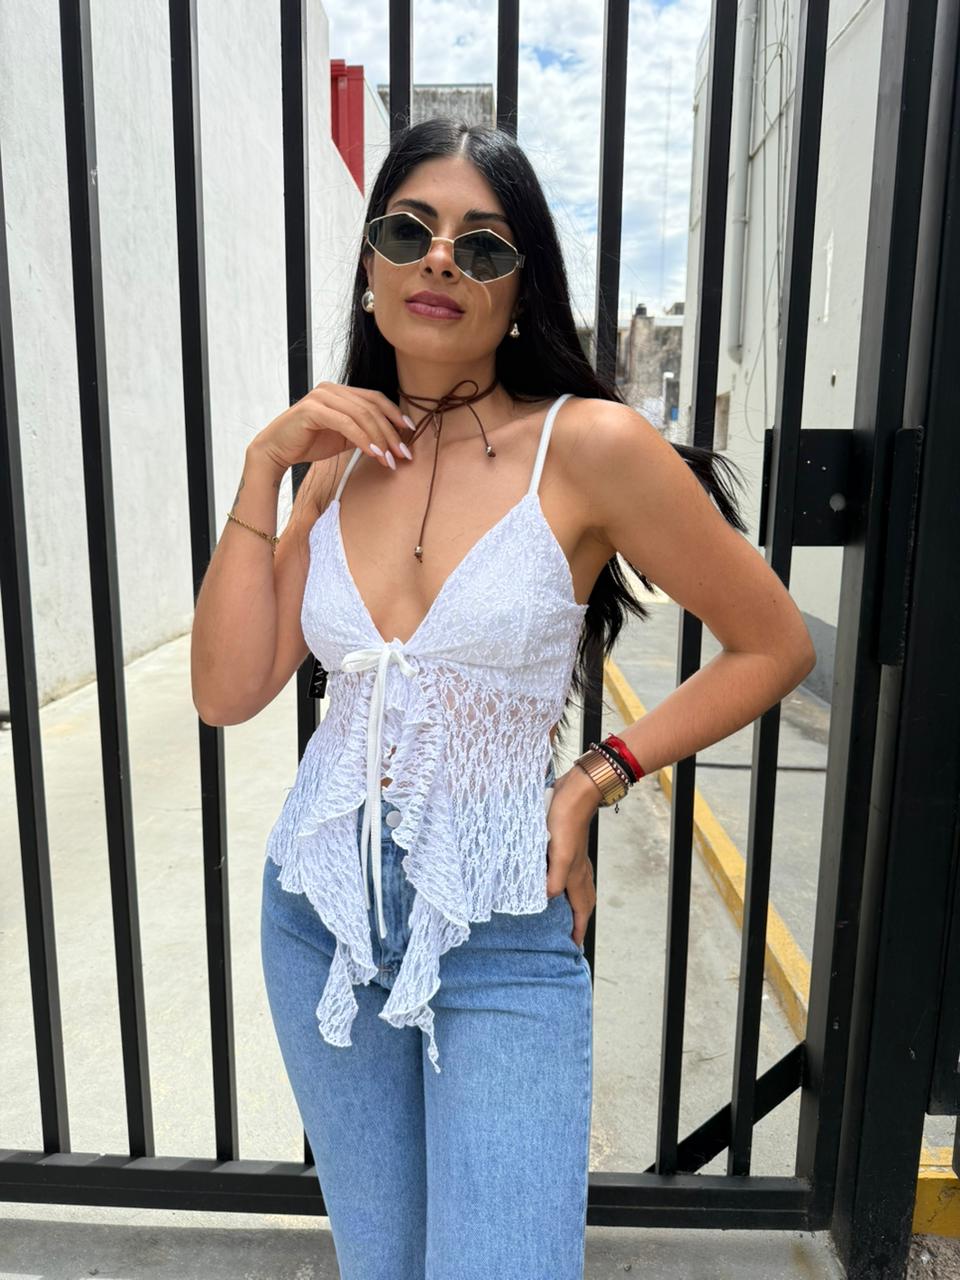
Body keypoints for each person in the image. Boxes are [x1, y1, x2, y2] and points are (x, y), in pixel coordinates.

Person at [191, 118, 816, 1280]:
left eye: (482, 245)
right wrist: (266, 470)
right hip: (320, 912)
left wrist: (595, 777)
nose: (440, 258)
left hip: (501, 924)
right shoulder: (333, 456)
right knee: (383, 1263)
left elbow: (772, 642)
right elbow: (228, 690)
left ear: (521, 289)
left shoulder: (588, 447)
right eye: (409, 230)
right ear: (372, 264)